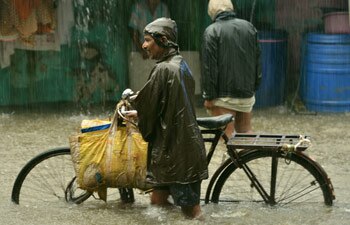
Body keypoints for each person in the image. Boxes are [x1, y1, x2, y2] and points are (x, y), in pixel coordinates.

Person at [130, 17, 208, 219]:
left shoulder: (163, 69)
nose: (143, 45)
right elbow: (167, 104)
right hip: (174, 151)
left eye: (148, 40)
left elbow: (150, 109)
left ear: (163, 39)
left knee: (192, 213)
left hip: (177, 155)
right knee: (158, 202)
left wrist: (139, 114)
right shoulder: (180, 64)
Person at [201, 0, 262, 137]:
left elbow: (209, 68)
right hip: (247, 93)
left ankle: (240, 158)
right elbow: (257, 59)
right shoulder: (249, 27)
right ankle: (257, 155)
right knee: (245, 132)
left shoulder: (212, 31)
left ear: (211, 12)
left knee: (228, 137)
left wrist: (209, 97)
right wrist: (254, 87)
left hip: (224, 97)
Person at [128, 0, 171, 92]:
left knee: (158, 87)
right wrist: (141, 49)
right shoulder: (138, 7)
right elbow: (133, 30)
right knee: (140, 86)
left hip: (159, 52)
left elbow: (168, 31)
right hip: (140, 53)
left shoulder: (163, 8)